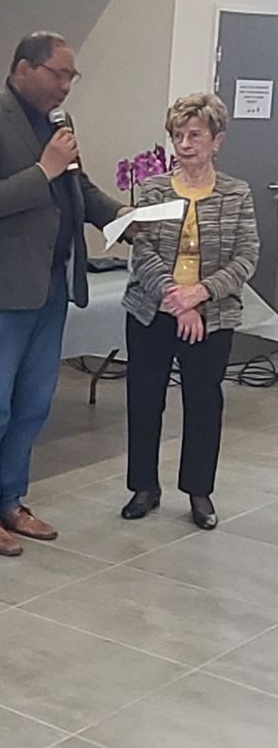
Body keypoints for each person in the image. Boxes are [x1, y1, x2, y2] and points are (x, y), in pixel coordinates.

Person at [0, 32, 129, 556]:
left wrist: (120, 216)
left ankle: (10, 500)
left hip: (50, 285)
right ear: (23, 68)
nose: (66, 86)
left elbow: (77, 188)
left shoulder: (58, 124)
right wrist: (42, 170)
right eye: (59, 74)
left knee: (30, 406)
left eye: (72, 76)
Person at [121, 93, 259, 529]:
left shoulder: (236, 193)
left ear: (217, 139)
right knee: (144, 398)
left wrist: (199, 293)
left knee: (203, 402)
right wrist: (174, 297)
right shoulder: (154, 190)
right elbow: (142, 250)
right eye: (178, 135)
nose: (184, 144)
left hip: (212, 314)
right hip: (152, 310)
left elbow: (246, 256)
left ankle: (199, 491)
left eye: (194, 135)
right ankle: (144, 487)